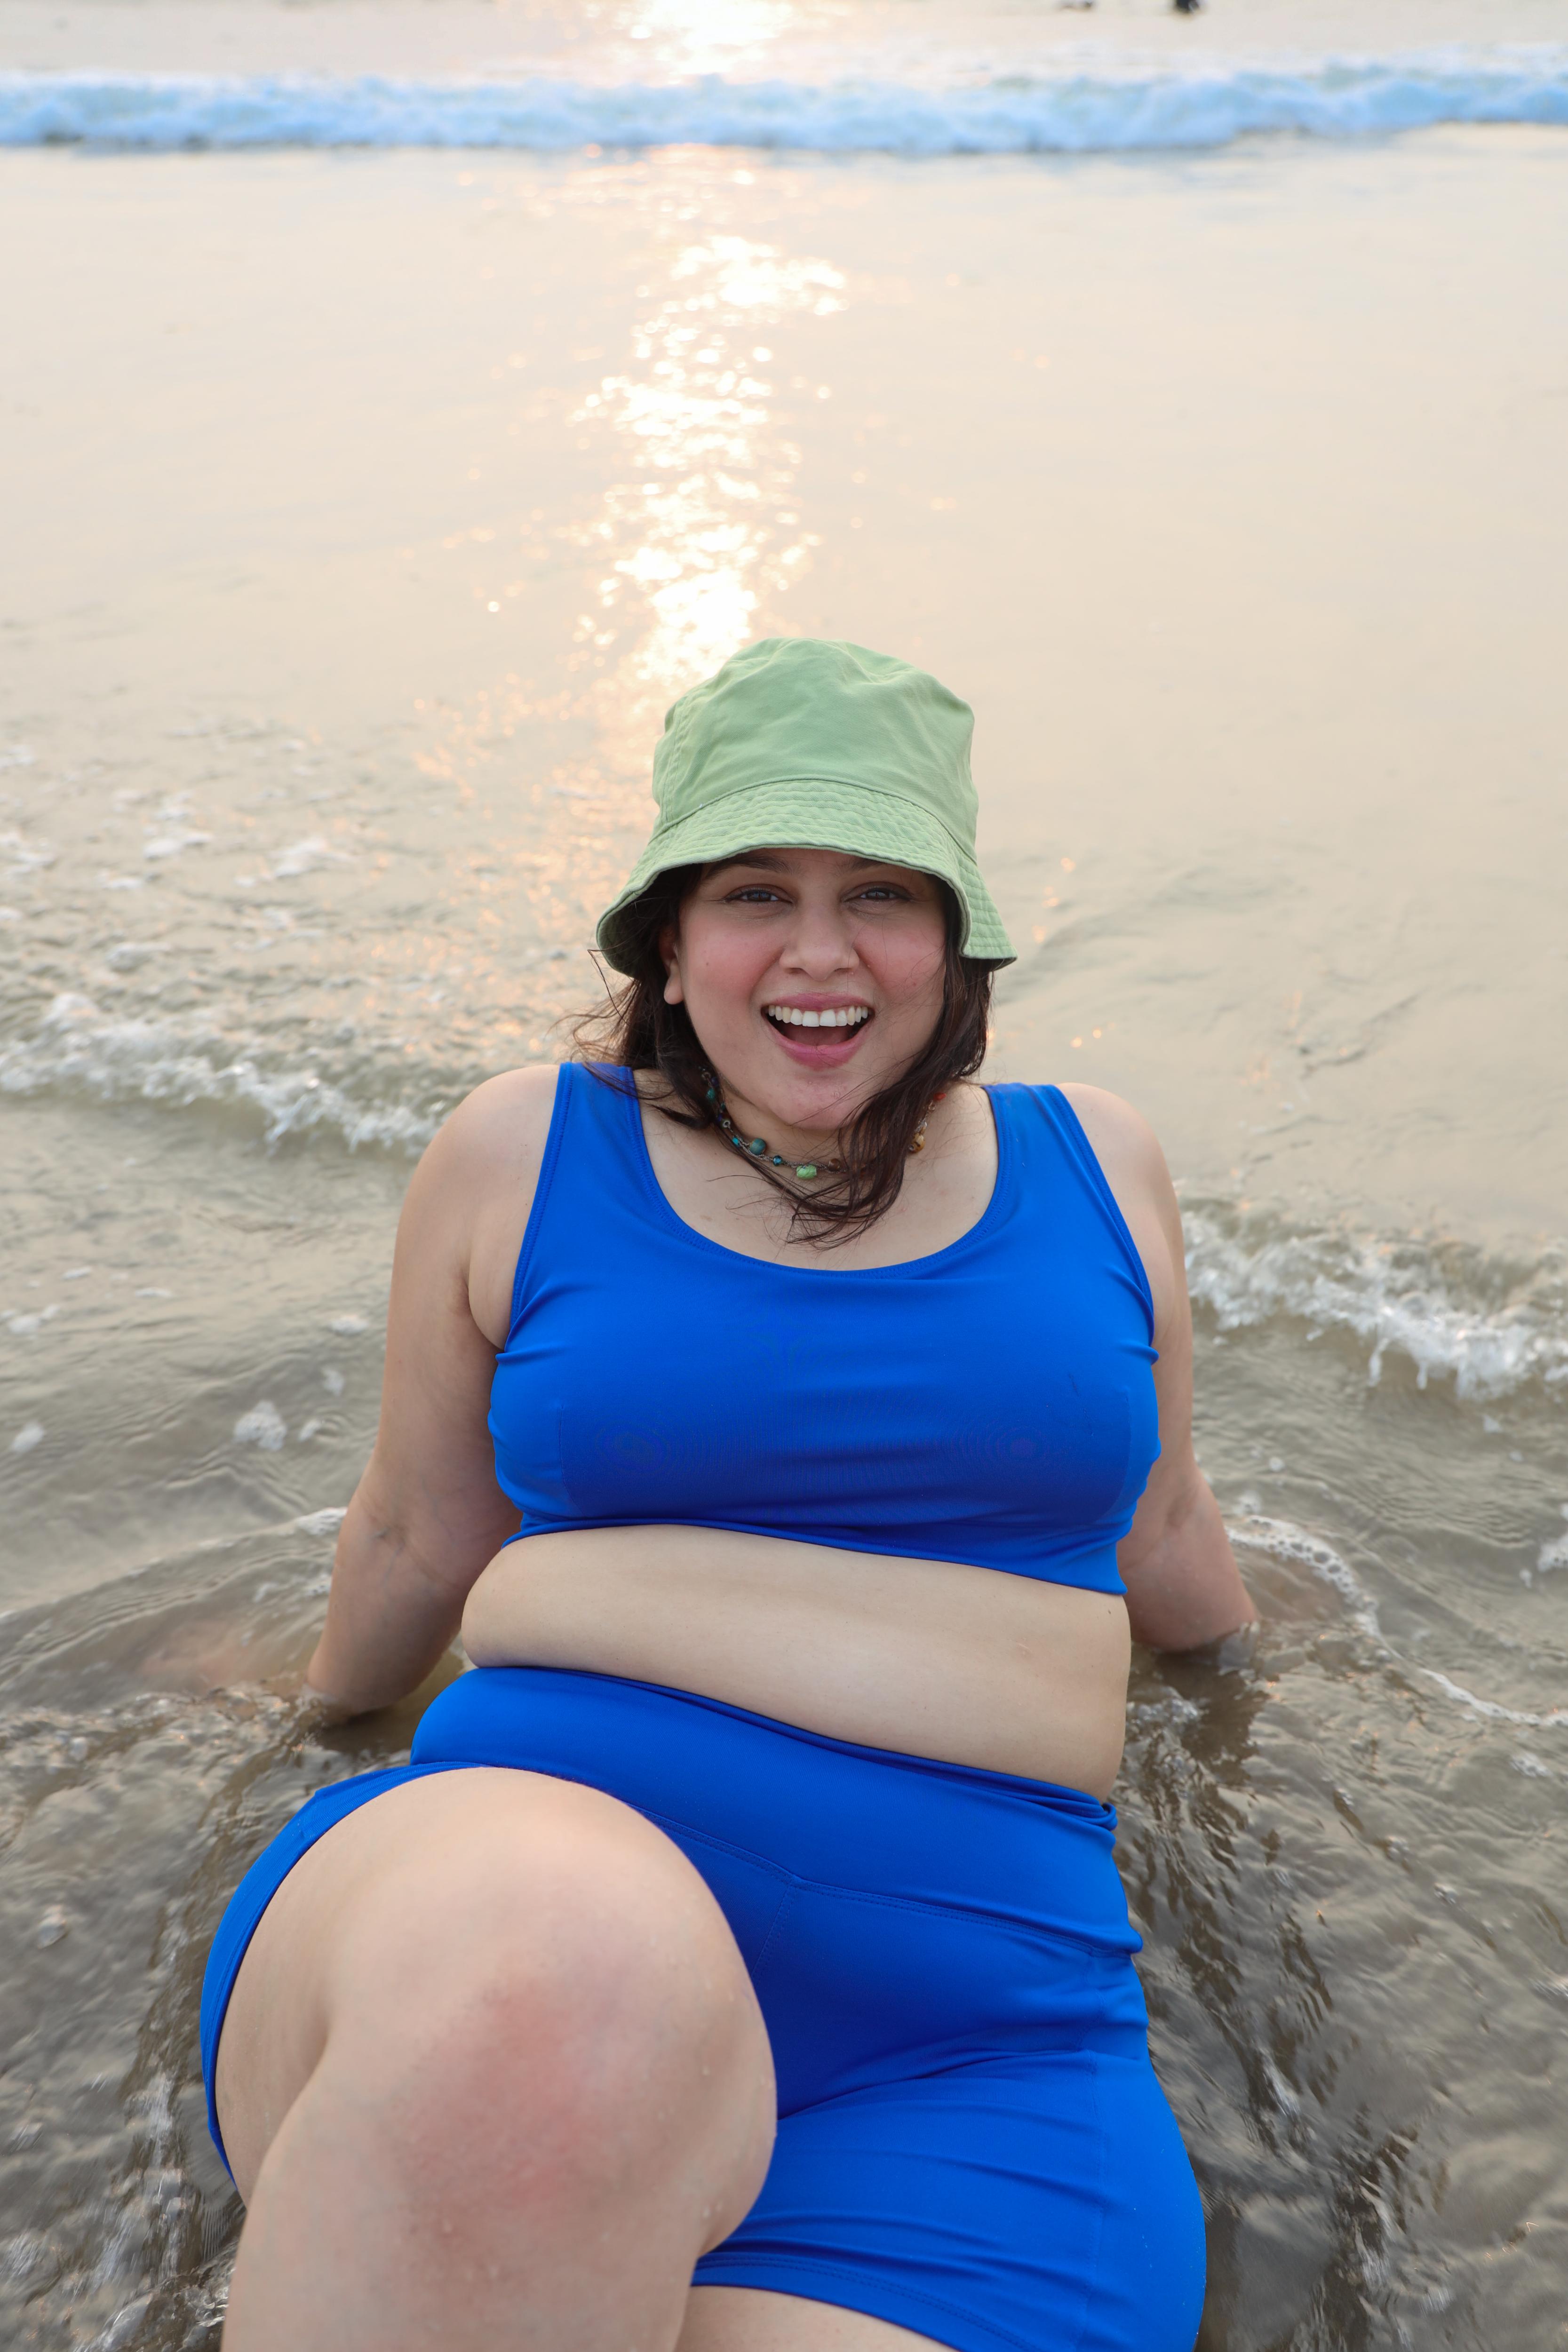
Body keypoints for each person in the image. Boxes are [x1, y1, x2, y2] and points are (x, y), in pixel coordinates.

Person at [200, 637, 1257, 2352]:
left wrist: (1271, 1687)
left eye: (883, 894)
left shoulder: (1100, 1162)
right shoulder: (522, 1149)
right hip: (504, 1926)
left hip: (969, 2050)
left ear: (957, 941)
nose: (823, 951)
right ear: (670, 945)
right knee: (571, 1991)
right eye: (758, 889)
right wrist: (308, 1715)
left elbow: (1164, 1532)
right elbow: (417, 1532)